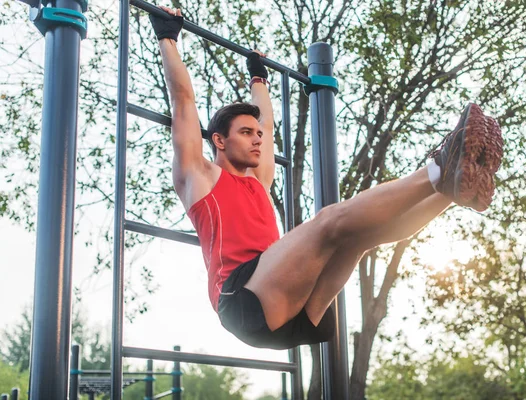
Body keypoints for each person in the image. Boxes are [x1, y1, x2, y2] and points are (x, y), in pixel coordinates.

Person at [149, 7, 503, 350]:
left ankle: (450, 191)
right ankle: (441, 167)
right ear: (219, 141)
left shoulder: (258, 181)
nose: (257, 138)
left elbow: (268, 125)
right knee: (330, 221)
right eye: (246, 132)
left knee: (360, 237)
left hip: (292, 305)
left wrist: (259, 77)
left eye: (256, 133)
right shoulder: (199, 178)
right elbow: (183, 101)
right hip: (243, 300)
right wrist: (167, 37)